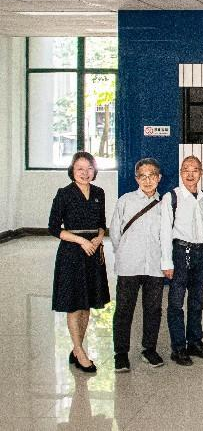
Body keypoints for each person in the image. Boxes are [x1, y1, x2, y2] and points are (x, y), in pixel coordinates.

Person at [49, 151, 109, 373]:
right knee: (74, 305)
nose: (85, 173)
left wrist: (99, 238)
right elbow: (54, 228)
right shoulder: (64, 194)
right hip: (72, 254)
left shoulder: (99, 193)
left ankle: (77, 348)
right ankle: (79, 350)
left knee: (87, 303)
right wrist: (81, 241)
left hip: (93, 253)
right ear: (72, 171)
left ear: (94, 170)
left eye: (89, 168)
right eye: (80, 169)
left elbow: (101, 224)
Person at [110, 158, 165, 372]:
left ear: (159, 178)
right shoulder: (126, 201)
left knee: (153, 309)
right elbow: (115, 233)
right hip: (129, 265)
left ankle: (149, 349)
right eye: (143, 176)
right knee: (124, 309)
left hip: (155, 266)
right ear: (136, 178)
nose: (147, 180)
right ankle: (120, 353)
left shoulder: (165, 204)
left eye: (152, 175)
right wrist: (125, 253)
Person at [160, 155, 203, 366]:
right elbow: (165, 231)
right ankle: (178, 347)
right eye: (186, 170)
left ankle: (194, 341)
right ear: (181, 173)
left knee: (197, 301)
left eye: (195, 170)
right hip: (180, 254)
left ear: (201, 173)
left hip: (201, 253)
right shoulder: (171, 197)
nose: (190, 174)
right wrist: (167, 262)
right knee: (176, 302)